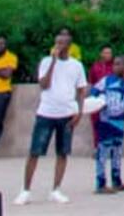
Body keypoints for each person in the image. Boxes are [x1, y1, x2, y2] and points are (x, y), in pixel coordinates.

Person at [15, 26, 88, 206]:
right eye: (57, 43)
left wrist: (79, 112)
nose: (59, 46)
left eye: (62, 43)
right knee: (35, 151)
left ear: (69, 46)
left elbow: (80, 91)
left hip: (66, 114)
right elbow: (44, 85)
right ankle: (25, 190)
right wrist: (53, 62)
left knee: (62, 153)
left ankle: (56, 189)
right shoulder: (46, 62)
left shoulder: (77, 66)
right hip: (46, 113)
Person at [91, 54, 124, 194]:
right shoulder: (105, 81)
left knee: (117, 152)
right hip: (105, 122)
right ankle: (100, 183)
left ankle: (116, 181)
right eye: (114, 64)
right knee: (103, 151)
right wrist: (98, 104)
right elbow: (93, 93)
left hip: (120, 123)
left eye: (119, 64)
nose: (115, 66)